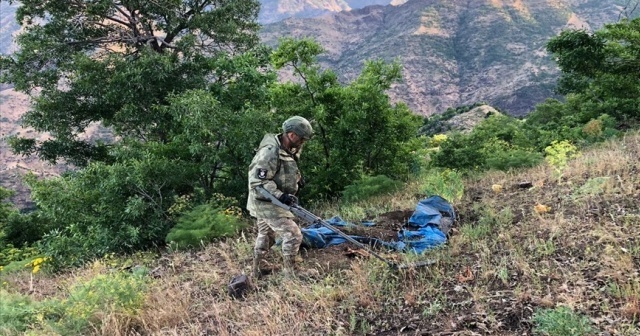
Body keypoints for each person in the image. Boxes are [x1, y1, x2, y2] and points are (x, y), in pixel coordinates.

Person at [247, 116, 314, 278]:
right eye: (302, 139)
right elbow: (259, 181)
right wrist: (281, 196)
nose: (303, 142)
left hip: (268, 200)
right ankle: (291, 273)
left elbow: (283, 169)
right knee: (293, 234)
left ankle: (258, 268)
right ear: (292, 135)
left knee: (266, 234)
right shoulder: (270, 152)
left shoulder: (287, 148)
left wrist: (297, 179)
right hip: (267, 201)